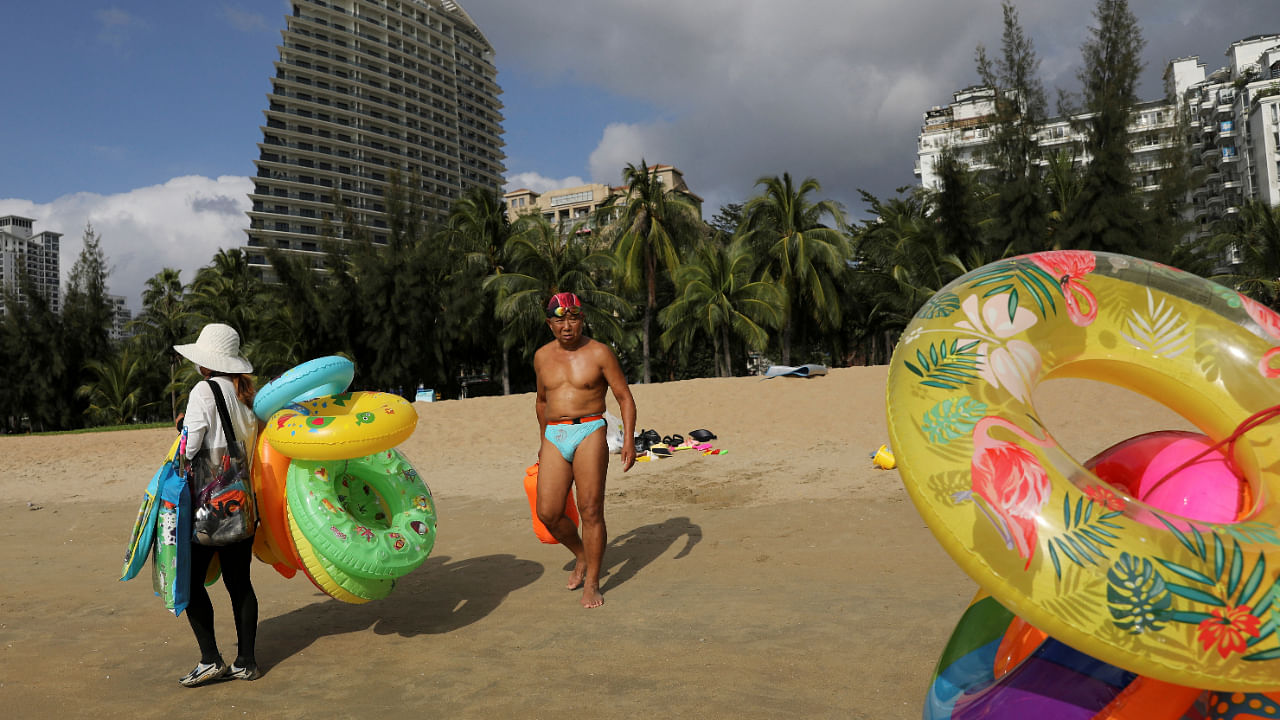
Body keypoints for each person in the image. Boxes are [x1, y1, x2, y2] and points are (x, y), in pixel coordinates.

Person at [533, 292, 637, 608]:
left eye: (574, 318)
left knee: (590, 508)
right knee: (548, 512)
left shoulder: (600, 353)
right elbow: (541, 400)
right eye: (560, 319)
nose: (568, 326)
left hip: (590, 428)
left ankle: (592, 581)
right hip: (554, 433)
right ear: (550, 323)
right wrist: (542, 442)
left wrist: (629, 440)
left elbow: (624, 397)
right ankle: (582, 554)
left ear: (582, 320)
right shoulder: (541, 356)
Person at [172, 323, 262, 686]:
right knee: (240, 583)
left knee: (190, 584)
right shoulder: (246, 396)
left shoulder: (203, 390)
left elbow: (190, 447)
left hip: (211, 507)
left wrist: (179, 429)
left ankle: (210, 658)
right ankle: (247, 662)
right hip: (244, 503)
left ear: (207, 363)